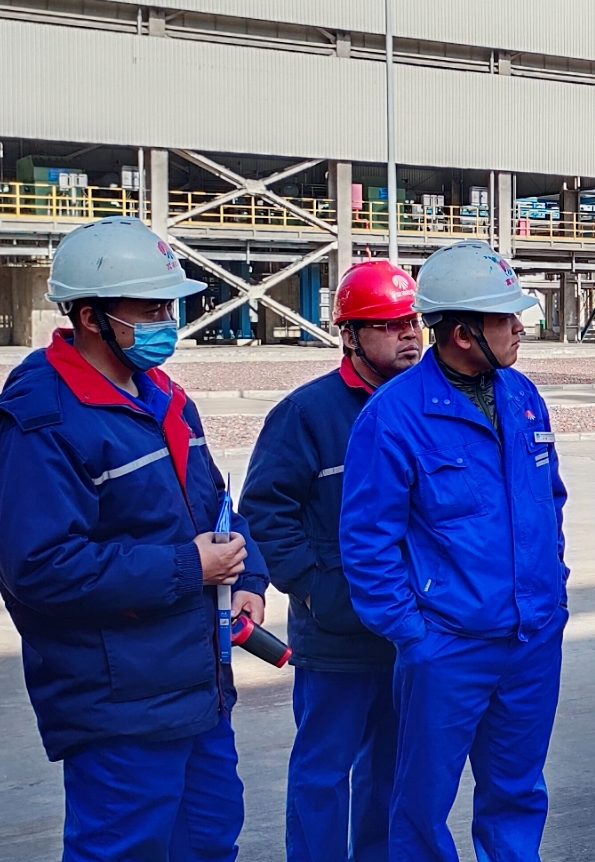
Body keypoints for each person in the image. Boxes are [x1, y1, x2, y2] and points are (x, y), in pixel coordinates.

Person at [0, 215, 268, 862]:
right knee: (123, 850)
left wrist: (246, 578)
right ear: (90, 317)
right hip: (119, 704)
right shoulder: (38, 424)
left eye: (169, 307)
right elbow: (42, 567)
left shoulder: (163, 396)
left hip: (195, 688)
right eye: (151, 308)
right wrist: (189, 567)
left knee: (210, 841)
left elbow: (213, 504)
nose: (167, 321)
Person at [340, 240, 568, 862]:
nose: (519, 327)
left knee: (518, 793)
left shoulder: (522, 397)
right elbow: (367, 542)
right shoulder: (394, 416)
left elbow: (549, 500)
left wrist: (552, 590)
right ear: (463, 333)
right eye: (504, 317)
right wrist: (414, 635)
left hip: (531, 640)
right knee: (422, 804)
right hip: (448, 647)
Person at [244, 259, 422, 862]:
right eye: (389, 324)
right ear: (349, 335)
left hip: (409, 629)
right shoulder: (308, 414)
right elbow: (265, 511)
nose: (408, 334)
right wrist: (316, 588)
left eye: (412, 321)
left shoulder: (426, 406)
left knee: (391, 772)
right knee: (323, 773)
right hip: (336, 635)